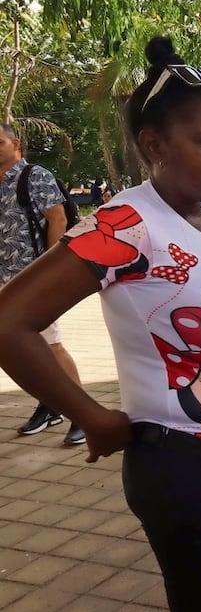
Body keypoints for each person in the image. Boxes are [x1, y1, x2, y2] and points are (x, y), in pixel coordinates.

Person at [0, 36, 201, 612]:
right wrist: (93, 417)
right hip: (189, 467)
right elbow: (9, 323)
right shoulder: (125, 225)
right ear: (153, 144)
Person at [0, 123, 85, 445]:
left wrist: (47, 274)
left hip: (31, 278)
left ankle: (82, 414)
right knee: (16, 348)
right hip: (4, 278)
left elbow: (57, 219)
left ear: (15, 144)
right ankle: (50, 404)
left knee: (50, 344)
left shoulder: (34, 176)